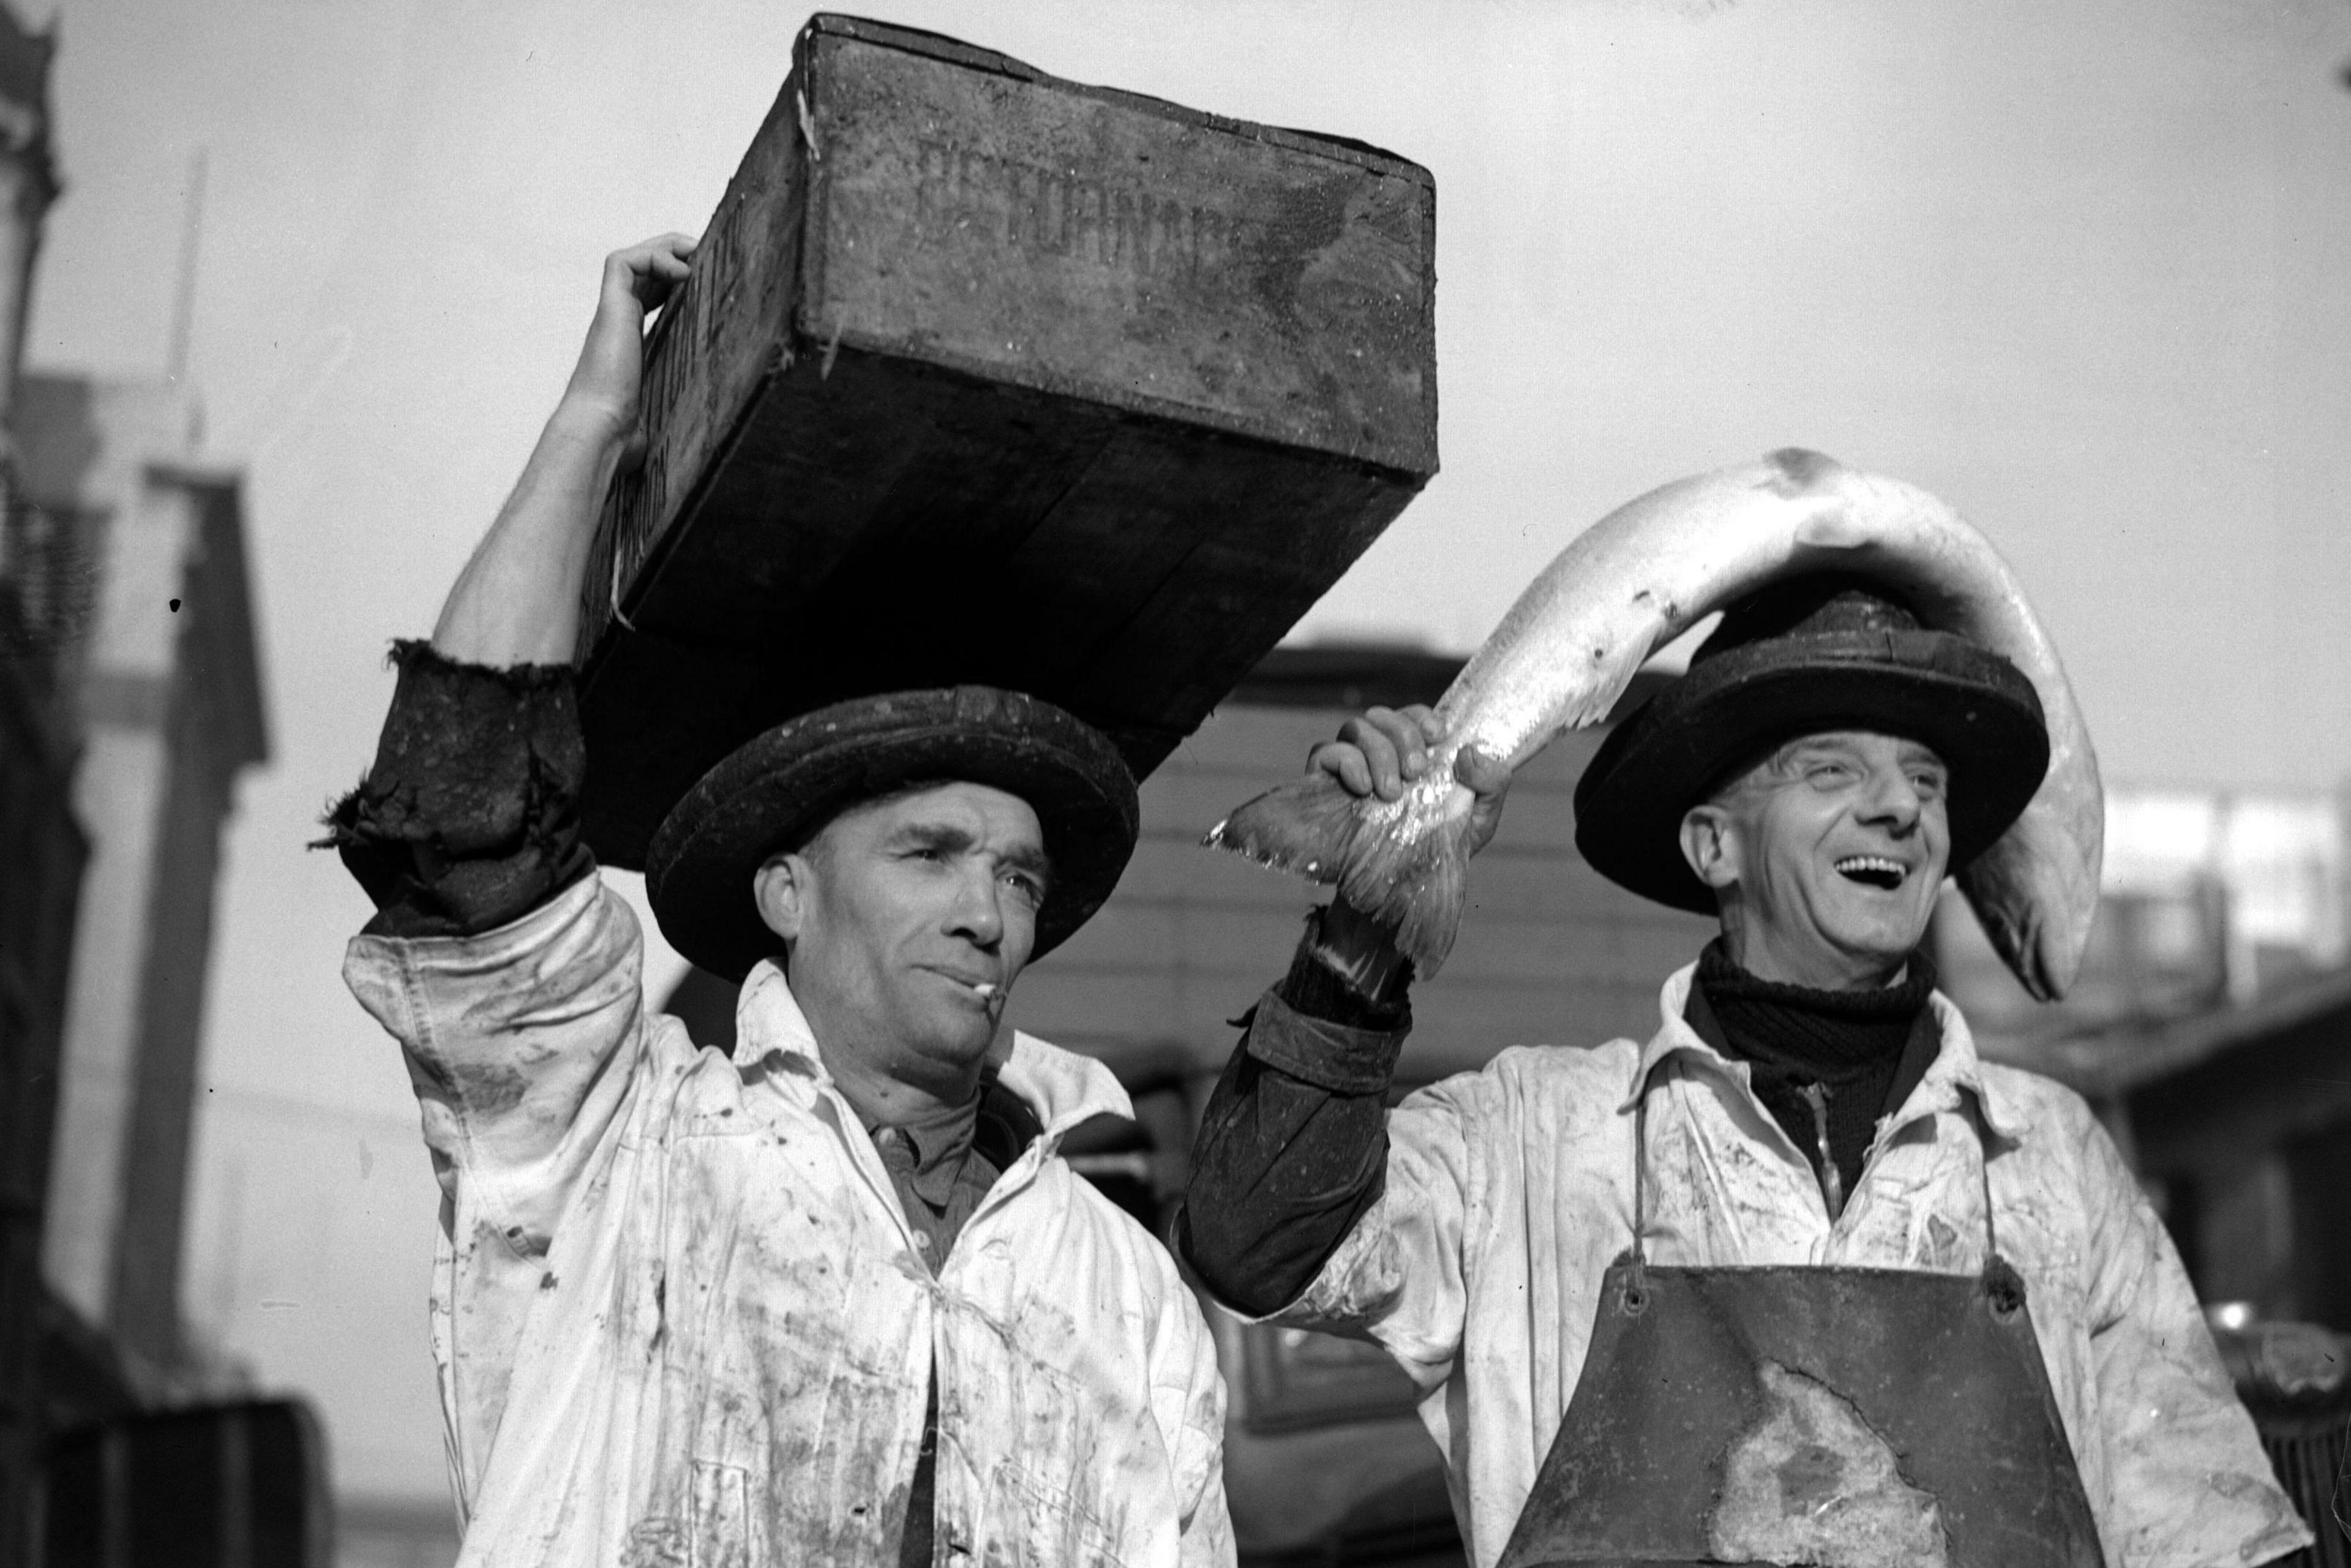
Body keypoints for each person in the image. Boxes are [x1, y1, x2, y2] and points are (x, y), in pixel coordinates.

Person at [328, 234, 1232, 1567]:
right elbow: (462, 817)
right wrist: (595, 422)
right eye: (929, 855)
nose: (990, 913)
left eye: (1019, 874)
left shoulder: (1125, 1288)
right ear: (787, 893)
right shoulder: (615, 1146)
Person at [1179, 577, 2309, 1566]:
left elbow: (2210, 1533)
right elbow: (1257, 1242)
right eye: (1833, 768)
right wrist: (1366, 932)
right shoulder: (1534, 1138)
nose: (1900, 806)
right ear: (1712, 844)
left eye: (1927, 778)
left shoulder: (2048, 1157)